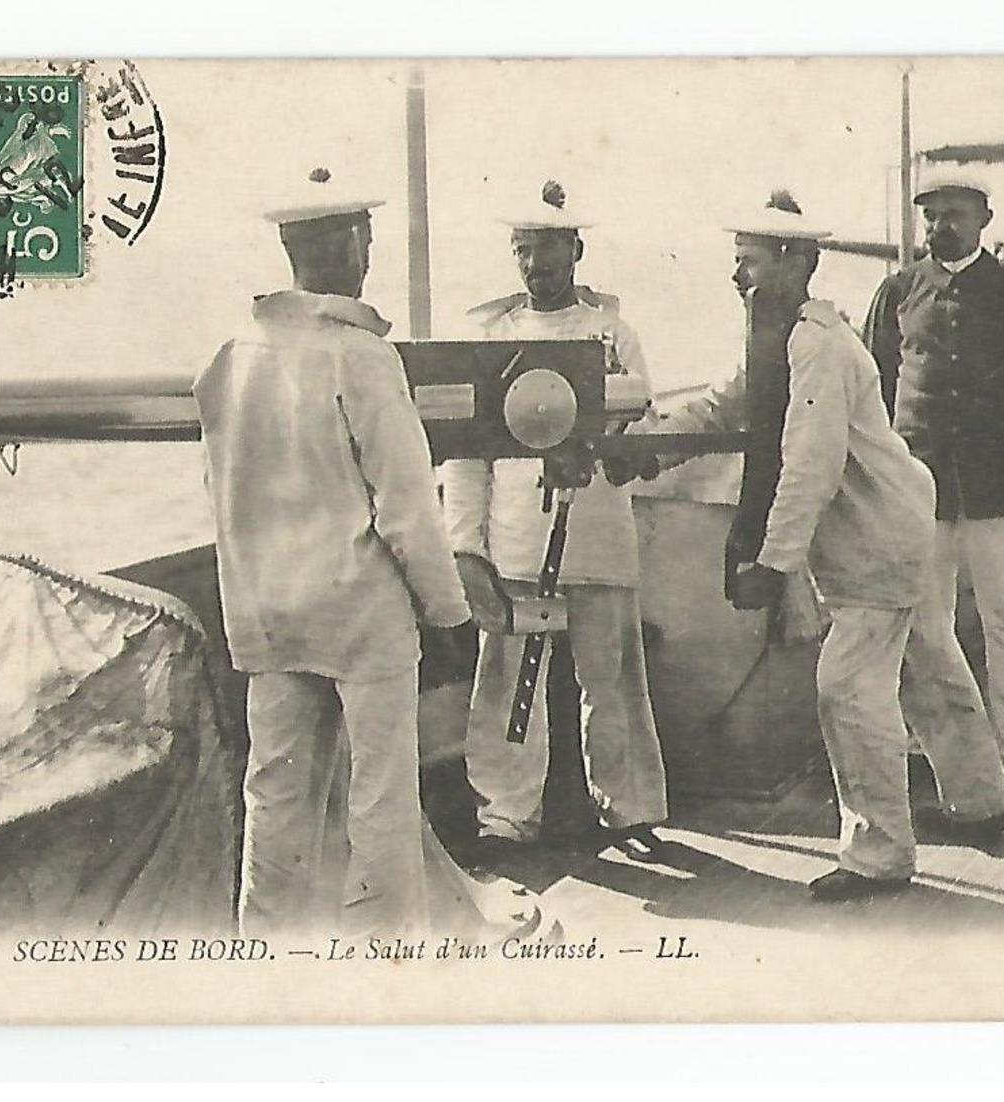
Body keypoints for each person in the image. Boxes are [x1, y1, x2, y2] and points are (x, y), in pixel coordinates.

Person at [635, 191, 1004, 899]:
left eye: (746, 262)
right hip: (894, 522)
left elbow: (809, 463)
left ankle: (879, 855)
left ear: (795, 262)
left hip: (877, 538)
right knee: (927, 668)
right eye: (734, 262)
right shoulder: (785, 338)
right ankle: (980, 801)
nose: (736, 277)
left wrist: (774, 566)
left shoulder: (816, 346)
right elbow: (726, 404)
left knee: (847, 689)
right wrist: (646, 449)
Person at [193, 167, 475, 937]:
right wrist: (448, 614)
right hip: (359, 611)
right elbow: (407, 509)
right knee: (382, 794)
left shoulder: (230, 353)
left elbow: (221, 492)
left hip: (269, 613)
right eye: (366, 238)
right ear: (350, 243)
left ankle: (266, 950)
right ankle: (389, 956)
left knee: (274, 794)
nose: (368, 253)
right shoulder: (360, 355)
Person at [440, 180, 669, 865]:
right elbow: (465, 454)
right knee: (509, 680)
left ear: (575, 251)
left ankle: (628, 811)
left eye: (545, 251)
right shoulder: (489, 336)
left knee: (613, 676)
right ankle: (506, 813)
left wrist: (627, 448)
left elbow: (645, 426)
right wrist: (465, 547)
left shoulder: (613, 333)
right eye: (522, 251)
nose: (534, 266)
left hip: (596, 529)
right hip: (515, 536)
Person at [863, 176, 1004, 795]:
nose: (940, 226)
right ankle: (924, 747)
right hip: (918, 485)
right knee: (924, 621)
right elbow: (875, 380)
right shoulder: (899, 290)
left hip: (994, 484)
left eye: (954, 214)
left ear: (985, 217)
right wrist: (892, 460)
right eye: (930, 216)